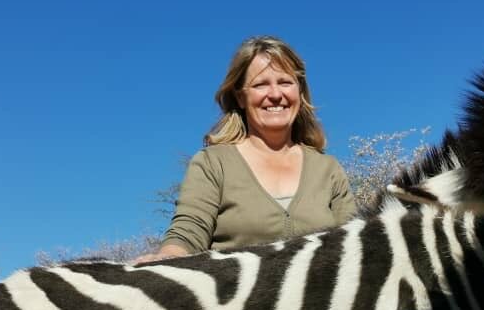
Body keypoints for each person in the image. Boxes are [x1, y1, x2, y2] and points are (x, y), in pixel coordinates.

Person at [135, 36, 357, 263]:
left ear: (299, 91)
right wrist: (166, 257)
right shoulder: (212, 163)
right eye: (261, 84)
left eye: (285, 82)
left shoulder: (328, 169)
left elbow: (354, 244)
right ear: (241, 97)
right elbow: (189, 232)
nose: (275, 94)